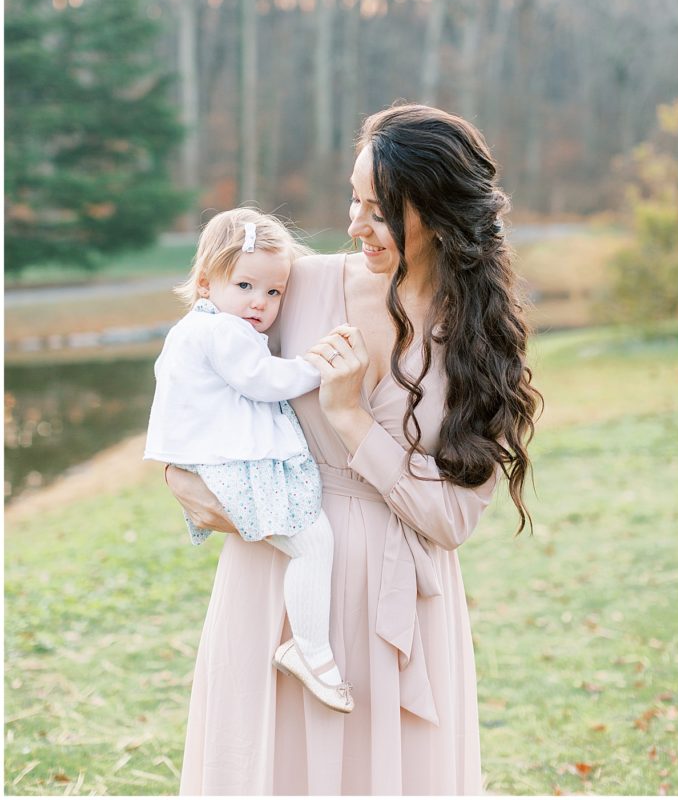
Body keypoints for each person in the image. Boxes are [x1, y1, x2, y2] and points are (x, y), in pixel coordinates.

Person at [165, 104, 541, 795]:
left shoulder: (479, 341)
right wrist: (176, 471)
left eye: (379, 210)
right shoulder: (299, 284)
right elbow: (199, 360)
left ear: (437, 211)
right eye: (353, 199)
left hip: (398, 608)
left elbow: (451, 521)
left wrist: (349, 419)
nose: (353, 225)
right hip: (273, 581)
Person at [145, 208, 354, 714]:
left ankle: (308, 647)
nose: (259, 303)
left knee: (308, 542)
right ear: (204, 283)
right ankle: (310, 650)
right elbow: (264, 381)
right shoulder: (224, 333)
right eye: (245, 285)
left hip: (217, 460)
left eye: (274, 292)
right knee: (312, 542)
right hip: (233, 463)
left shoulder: (200, 328)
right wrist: (317, 366)